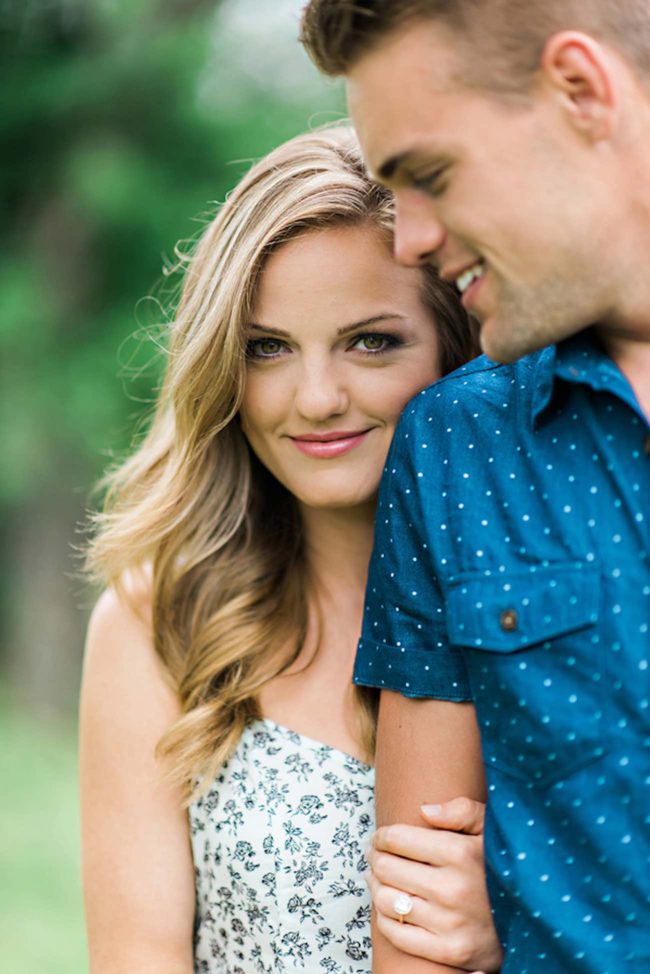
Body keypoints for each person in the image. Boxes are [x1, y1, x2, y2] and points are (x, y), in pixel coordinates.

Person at [79, 125, 502, 974]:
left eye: (371, 341)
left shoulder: (543, 609)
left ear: (455, 353)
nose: (315, 398)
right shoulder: (161, 624)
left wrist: (513, 926)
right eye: (266, 349)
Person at [301, 2, 650, 972]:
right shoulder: (457, 447)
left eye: (431, 176)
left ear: (580, 92)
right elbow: (415, 931)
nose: (408, 237)